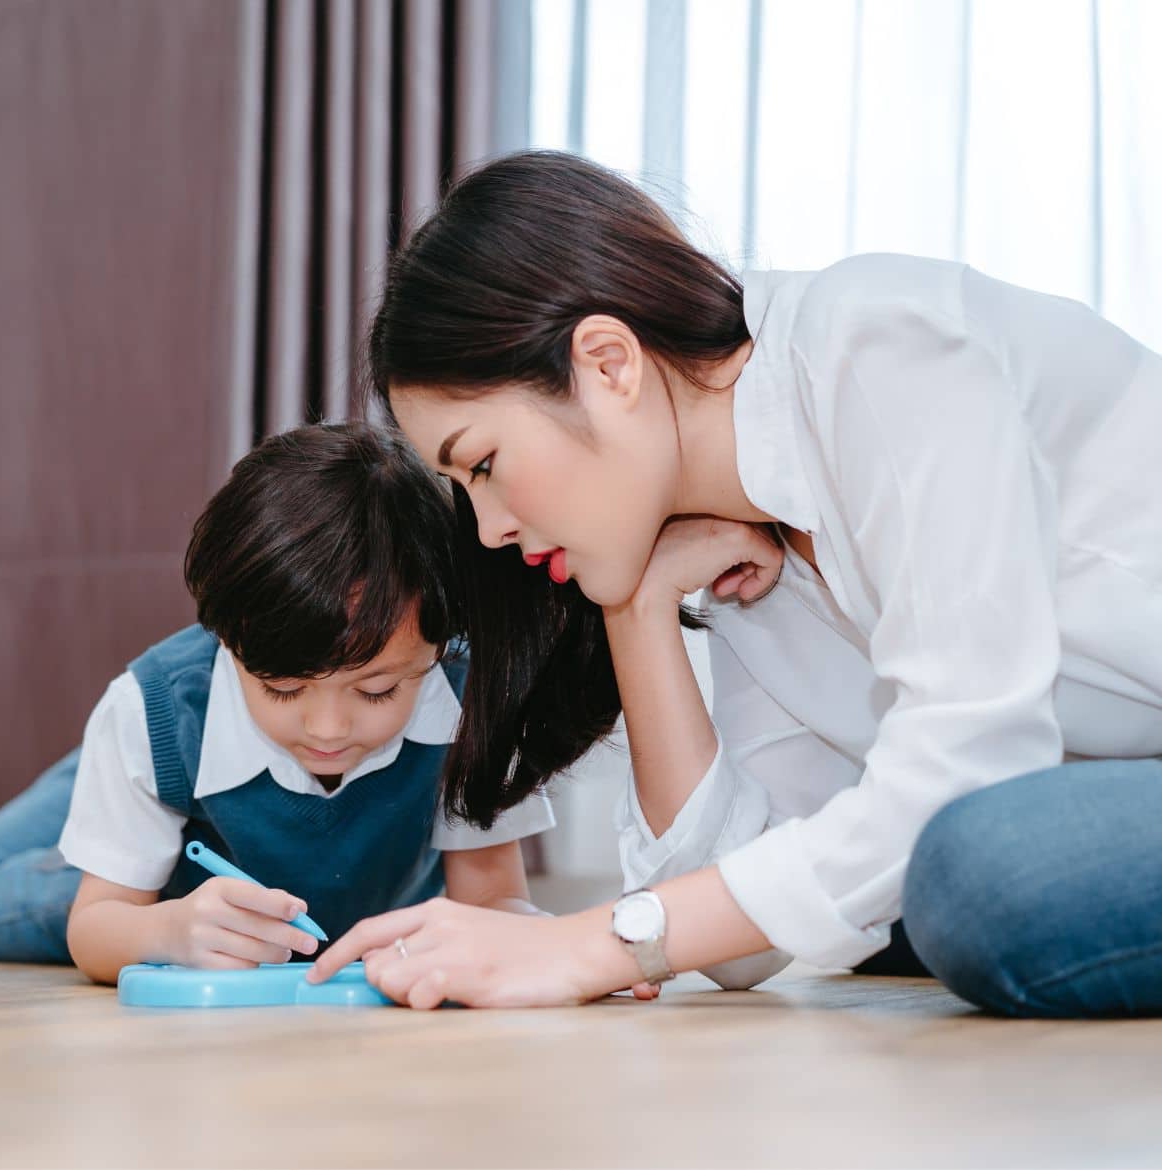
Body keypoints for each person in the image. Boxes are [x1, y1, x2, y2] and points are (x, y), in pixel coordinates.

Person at [309, 150, 1162, 1018]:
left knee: (973, 868)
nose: (488, 530)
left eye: (485, 465)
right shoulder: (739, 551)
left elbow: (968, 774)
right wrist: (636, 605)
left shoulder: (873, 346)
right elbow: (748, 943)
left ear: (608, 365)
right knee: (896, 886)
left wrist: (584, 943)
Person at [0, 422, 554, 984]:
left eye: (377, 690)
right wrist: (162, 931)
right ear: (227, 644)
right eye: (283, 687)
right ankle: (114, 808)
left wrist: (541, 942)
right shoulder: (155, 711)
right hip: (164, 826)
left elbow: (491, 902)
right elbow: (97, 927)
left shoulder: (476, 699)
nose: (328, 728)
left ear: (440, 647)